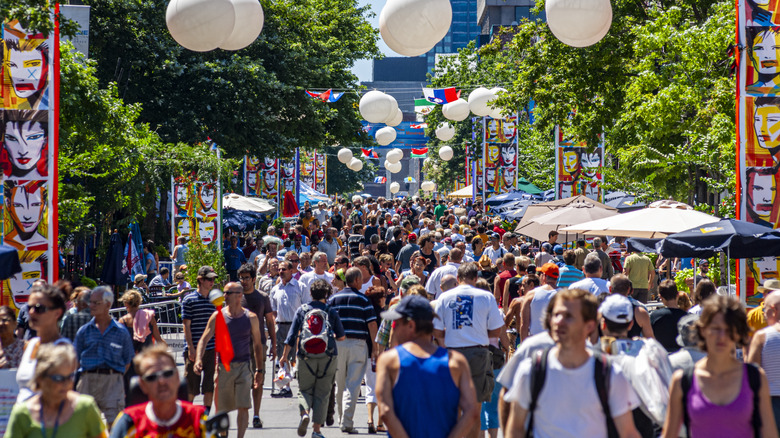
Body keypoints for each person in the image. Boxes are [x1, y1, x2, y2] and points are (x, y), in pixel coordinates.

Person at [503, 288, 641, 438]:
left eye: (569, 316)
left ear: (590, 326)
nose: (559, 321)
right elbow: (515, 428)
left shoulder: (610, 374)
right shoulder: (531, 370)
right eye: (556, 315)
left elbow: (627, 432)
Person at [662, 296, 779, 438]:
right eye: (715, 329)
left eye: (728, 330)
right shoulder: (683, 381)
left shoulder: (755, 378)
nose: (722, 336)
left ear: (738, 333)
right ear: (703, 330)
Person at [376, 295, 480, 438]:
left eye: (397, 324)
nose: (395, 329)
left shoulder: (389, 361)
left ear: (411, 325)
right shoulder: (456, 362)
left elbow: (385, 412)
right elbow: (471, 411)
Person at [433, 262, 504, 438]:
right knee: (475, 408)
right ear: (475, 278)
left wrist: (443, 344)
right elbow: (497, 328)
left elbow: (436, 329)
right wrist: (487, 339)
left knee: (454, 405)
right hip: (478, 353)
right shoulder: (486, 297)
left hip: (451, 353)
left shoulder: (444, 297)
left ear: (458, 279)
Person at [195, 282, 264, 438]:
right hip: (223, 368)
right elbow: (204, 339)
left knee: (243, 406)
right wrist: (199, 358)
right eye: (224, 292)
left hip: (244, 367)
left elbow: (258, 346)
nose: (223, 296)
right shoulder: (218, 316)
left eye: (228, 293)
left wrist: (259, 370)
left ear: (239, 295)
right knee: (222, 409)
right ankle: (224, 434)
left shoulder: (251, 318)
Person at [598, 294, 673, 438]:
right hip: (643, 427)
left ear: (603, 324)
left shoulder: (594, 355)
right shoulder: (648, 350)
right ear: (631, 324)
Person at [281, 279, 346, 438]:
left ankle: (304, 413)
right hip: (328, 356)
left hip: (305, 356)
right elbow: (342, 337)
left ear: (311, 293)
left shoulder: (302, 310)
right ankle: (316, 430)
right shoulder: (331, 311)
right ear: (327, 294)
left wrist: (284, 356)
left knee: (304, 390)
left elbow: (291, 336)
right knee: (323, 393)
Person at [7, 343, 106, 438]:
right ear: (40, 378)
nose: (67, 383)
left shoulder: (85, 407)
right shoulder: (22, 414)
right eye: (59, 378)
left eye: (70, 377)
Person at [109, 345, 207, 438]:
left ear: (177, 377)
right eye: (152, 377)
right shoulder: (129, 422)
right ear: (142, 385)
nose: (161, 381)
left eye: (167, 373)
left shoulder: (199, 418)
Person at [327, 267, 378, 434]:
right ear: (356, 280)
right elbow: (371, 325)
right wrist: (375, 348)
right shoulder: (364, 300)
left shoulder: (333, 299)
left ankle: (344, 419)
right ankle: (346, 421)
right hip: (358, 345)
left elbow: (327, 324)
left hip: (337, 344)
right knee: (353, 384)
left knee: (340, 384)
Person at [75, 286, 135, 426]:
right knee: (84, 426)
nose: (91, 306)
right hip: (87, 381)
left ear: (108, 305)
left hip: (113, 382)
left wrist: (114, 375)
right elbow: (76, 359)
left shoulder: (121, 332)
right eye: (91, 302)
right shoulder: (84, 331)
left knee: (114, 426)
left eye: (96, 303)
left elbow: (127, 360)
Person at [237, 263, 276, 428]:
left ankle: (256, 414)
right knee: (242, 381)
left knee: (258, 378)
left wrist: (274, 344)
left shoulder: (262, 297)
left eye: (247, 278)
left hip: (258, 344)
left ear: (254, 279)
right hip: (239, 344)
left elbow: (269, 321)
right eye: (242, 278)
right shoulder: (235, 296)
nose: (244, 281)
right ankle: (244, 411)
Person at [17, 284, 72, 402]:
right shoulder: (31, 345)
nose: (31, 312)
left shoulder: (63, 349)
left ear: (57, 313)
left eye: (38, 308)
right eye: (29, 307)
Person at [182, 266, 218, 411]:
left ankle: (205, 418)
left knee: (209, 386)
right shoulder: (189, 299)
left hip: (211, 348)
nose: (212, 282)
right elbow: (186, 326)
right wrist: (190, 348)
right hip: (194, 348)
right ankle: (188, 417)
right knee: (191, 387)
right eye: (209, 279)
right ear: (200, 280)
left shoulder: (215, 300)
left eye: (213, 279)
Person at [270, 260, 307, 393]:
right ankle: (286, 386)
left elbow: (306, 307)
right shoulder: (275, 289)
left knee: (298, 357)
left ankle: (304, 386)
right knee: (282, 357)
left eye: (284, 269)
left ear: (291, 271)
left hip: (297, 326)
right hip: (281, 326)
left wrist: (303, 327)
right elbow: (273, 310)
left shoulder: (300, 286)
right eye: (279, 269)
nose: (280, 272)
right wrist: (275, 325)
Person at [749, 290, 780, 433]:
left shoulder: (762, 337)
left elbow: (751, 373)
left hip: (770, 401)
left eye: (765, 309)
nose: (763, 314)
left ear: (773, 310)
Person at [520, 263, 560, 341]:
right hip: (557, 342)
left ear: (544, 276)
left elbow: (524, 325)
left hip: (535, 342)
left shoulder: (531, 295)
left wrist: (524, 346)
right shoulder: (565, 295)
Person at [651, 280, 689, 353]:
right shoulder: (687, 317)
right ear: (677, 294)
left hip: (662, 356)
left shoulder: (655, 316)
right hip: (682, 356)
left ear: (660, 296)